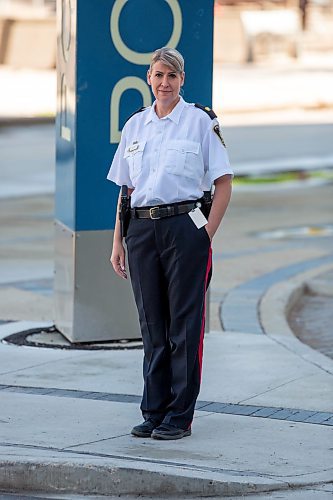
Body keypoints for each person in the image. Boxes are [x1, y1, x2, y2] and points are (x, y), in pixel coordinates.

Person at [107, 47, 233, 440]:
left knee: (184, 326)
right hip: (142, 231)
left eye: (172, 77)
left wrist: (205, 233)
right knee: (152, 326)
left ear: (182, 81)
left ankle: (179, 416)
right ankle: (153, 411)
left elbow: (224, 182)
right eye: (159, 75)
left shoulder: (200, 122)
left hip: (185, 228)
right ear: (149, 77)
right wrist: (118, 241)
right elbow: (127, 190)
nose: (165, 83)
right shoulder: (135, 125)